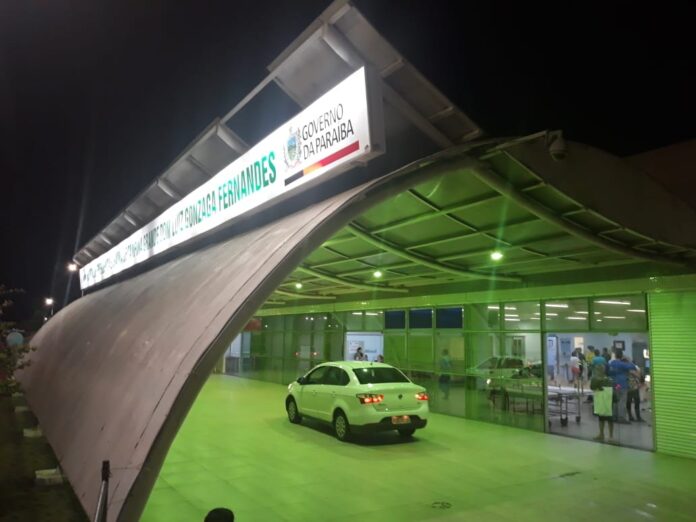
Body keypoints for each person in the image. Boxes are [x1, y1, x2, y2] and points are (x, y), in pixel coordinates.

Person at [608, 349, 637, 423]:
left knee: (615, 400)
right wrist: (628, 360)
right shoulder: (622, 364)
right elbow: (633, 367)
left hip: (614, 384)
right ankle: (621, 418)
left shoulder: (611, 363)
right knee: (622, 400)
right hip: (621, 384)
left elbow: (608, 372)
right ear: (622, 356)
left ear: (615, 356)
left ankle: (614, 416)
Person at [590, 365, 615, 443]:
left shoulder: (608, 380)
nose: (598, 371)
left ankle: (610, 436)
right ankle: (602, 434)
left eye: (600, 369)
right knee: (601, 418)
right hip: (601, 401)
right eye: (597, 369)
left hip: (607, 402)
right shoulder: (597, 379)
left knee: (609, 419)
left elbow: (614, 388)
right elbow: (592, 387)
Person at [625, 356, 643, 422]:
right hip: (633, 387)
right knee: (635, 401)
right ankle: (637, 417)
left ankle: (631, 416)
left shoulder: (623, 369)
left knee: (630, 402)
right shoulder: (631, 368)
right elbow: (638, 376)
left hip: (629, 387)